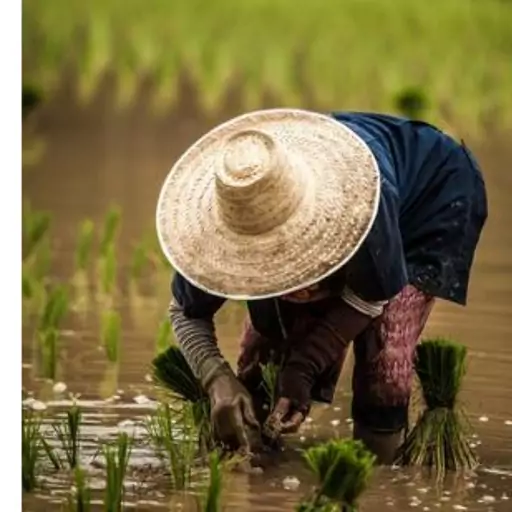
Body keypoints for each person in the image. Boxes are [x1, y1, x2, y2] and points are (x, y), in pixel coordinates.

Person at [155, 109, 488, 464]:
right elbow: (184, 311)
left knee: (385, 356)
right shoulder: (218, 228)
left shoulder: (360, 205)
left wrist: (306, 366)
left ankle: (373, 470)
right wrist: (216, 379)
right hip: (347, 201)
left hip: (430, 198)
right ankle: (256, 449)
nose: (292, 286)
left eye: (289, 261)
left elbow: (374, 294)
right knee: (263, 347)